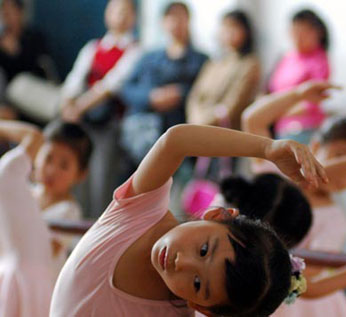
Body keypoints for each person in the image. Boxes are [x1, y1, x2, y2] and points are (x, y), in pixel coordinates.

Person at [50, 123, 328, 317]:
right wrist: (267, 148)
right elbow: (176, 141)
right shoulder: (140, 210)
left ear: (203, 308)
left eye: (197, 284)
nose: (182, 263)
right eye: (204, 250)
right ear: (216, 215)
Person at [242, 82, 346, 317]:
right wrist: (296, 94)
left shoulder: (336, 220)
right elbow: (252, 119)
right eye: (342, 157)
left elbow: (308, 286)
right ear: (314, 147)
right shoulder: (276, 176)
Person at [0, 120, 91, 316]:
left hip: (38, 290)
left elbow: (44, 250)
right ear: (37, 157)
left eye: (64, 165)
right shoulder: (25, 193)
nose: (52, 170)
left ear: (81, 174)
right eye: (48, 159)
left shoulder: (68, 211)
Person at [61, 0, 140, 216]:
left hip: (111, 123)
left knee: (102, 180)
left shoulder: (135, 50)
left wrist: (78, 107)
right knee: (77, 177)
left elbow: (112, 85)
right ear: (107, 15)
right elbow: (74, 80)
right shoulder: (92, 48)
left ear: (134, 17)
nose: (121, 16)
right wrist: (69, 105)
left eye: (126, 12)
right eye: (116, 11)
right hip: (83, 120)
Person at [119, 2, 208, 168]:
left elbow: (206, 92)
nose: (175, 23)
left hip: (180, 135)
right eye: (171, 17)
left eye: (180, 17)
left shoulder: (201, 60)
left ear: (188, 21)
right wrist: (150, 97)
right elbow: (126, 88)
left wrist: (179, 94)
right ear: (162, 22)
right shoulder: (149, 57)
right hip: (142, 134)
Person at [186, 9, 261, 130]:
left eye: (234, 27)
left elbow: (233, 106)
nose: (229, 32)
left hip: (226, 130)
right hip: (197, 124)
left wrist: (202, 122)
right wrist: (195, 118)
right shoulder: (213, 63)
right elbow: (195, 96)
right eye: (225, 27)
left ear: (246, 32)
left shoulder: (249, 64)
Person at [267, 9, 330, 144]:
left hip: (305, 128)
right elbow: (272, 90)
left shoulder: (319, 59)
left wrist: (275, 111)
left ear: (318, 33)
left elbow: (312, 102)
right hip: (280, 127)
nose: (298, 36)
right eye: (295, 30)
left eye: (304, 31)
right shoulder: (287, 57)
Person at [0, 0, 54, 120]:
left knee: (20, 84)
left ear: (20, 13)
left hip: (33, 93)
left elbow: (39, 70)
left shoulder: (34, 38)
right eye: (3, 14)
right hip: (7, 100)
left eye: (9, 13)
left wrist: (16, 53)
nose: (6, 19)